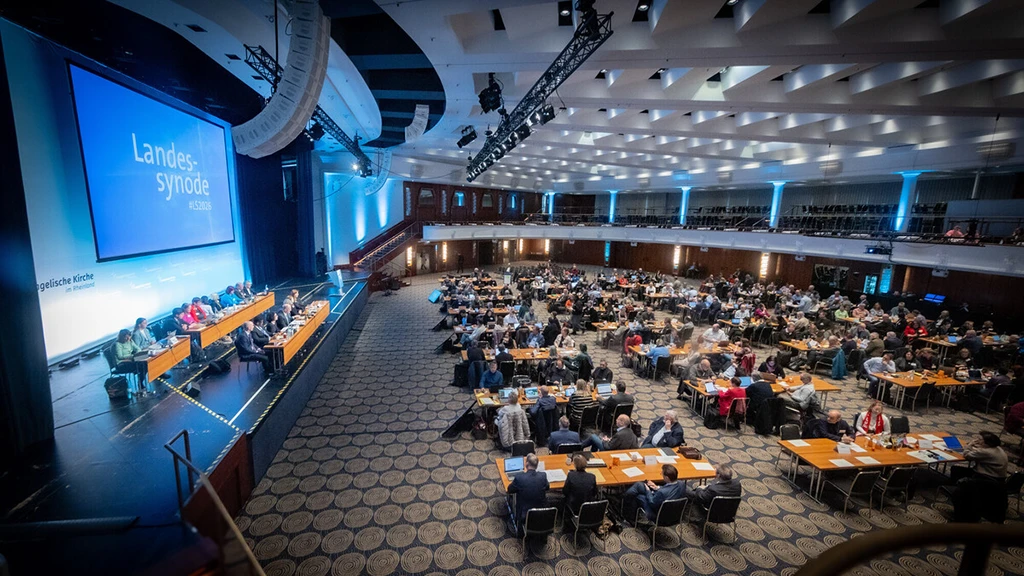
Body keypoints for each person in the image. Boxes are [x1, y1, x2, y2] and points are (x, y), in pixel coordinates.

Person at [622, 464, 687, 523]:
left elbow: (652, 502)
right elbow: (670, 489)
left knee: (638, 496)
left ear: (667, 478)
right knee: (639, 485)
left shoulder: (661, 492)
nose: (661, 475)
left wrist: (648, 491)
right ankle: (628, 495)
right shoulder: (682, 484)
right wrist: (657, 487)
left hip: (659, 516)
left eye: (662, 474)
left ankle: (629, 517)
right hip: (675, 515)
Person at [506, 453, 549, 530]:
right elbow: (547, 487)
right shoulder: (543, 475)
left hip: (524, 512)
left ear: (527, 464)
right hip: (542, 510)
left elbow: (510, 490)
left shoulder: (519, 478)